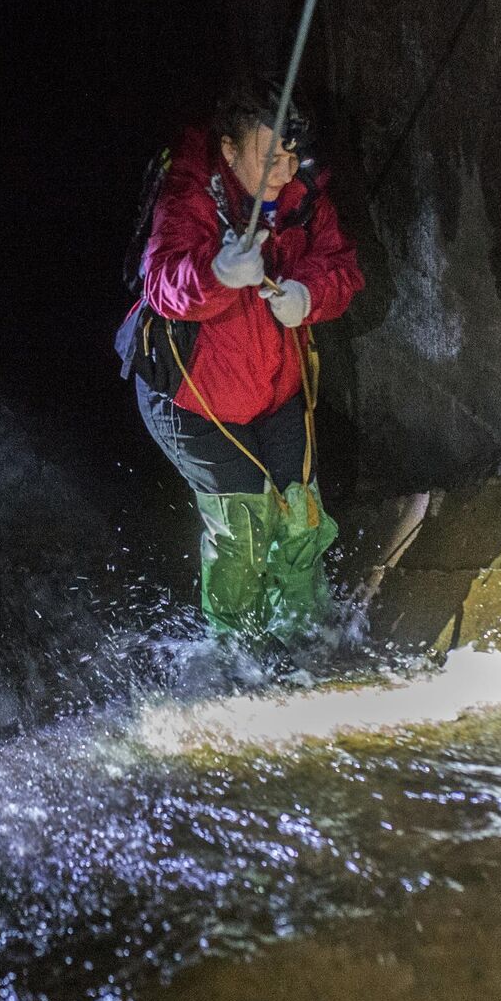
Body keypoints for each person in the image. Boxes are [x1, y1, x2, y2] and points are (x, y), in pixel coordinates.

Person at [120, 77, 364, 646]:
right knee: (242, 533)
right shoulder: (190, 192)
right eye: (267, 158)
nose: (283, 172)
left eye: (289, 155)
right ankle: (235, 656)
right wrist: (218, 273)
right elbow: (164, 280)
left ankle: (307, 640)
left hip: (276, 388)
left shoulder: (303, 197)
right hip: (192, 396)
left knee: (301, 515)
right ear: (229, 152)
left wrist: (308, 296)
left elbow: (343, 268)